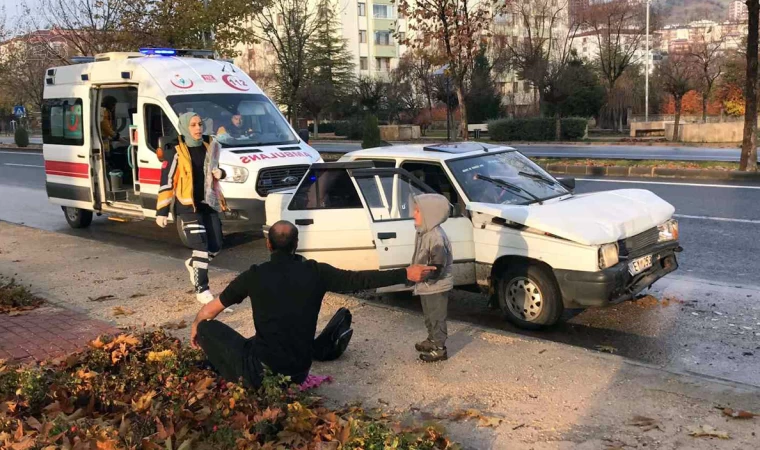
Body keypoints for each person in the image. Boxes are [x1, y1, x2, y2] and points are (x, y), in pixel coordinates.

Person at [189, 220, 436, 388]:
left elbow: (211, 309)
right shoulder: (316, 272)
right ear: (296, 245)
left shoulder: (254, 275)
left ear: (268, 244)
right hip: (299, 372)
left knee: (208, 327)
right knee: (258, 339)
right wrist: (405, 273)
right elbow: (360, 279)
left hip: (262, 373)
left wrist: (197, 326)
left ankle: (233, 374)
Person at [156, 112, 228, 305]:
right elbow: (167, 180)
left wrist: (221, 173)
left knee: (216, 246)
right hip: (187, 205)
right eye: (193, 125)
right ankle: (202, 289)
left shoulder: (209, 145)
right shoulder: (176, 150)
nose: (198, 128)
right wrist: (162, 211)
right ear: (185, 127)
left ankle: (193, 264)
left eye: (200, 124)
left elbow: (217, 169)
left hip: (208, 203)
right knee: (201, 247)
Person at [411, 193, 454, 363]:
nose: (414, 214)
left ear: (430, 214)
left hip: (436, 286)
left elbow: (438, 266)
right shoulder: (423, 233)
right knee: (429, 316)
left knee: (437, 317)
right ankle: (431, 340)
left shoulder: (436, 237)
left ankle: (440, 348)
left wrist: (426, 277)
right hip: (426, 285)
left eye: (417, 211)